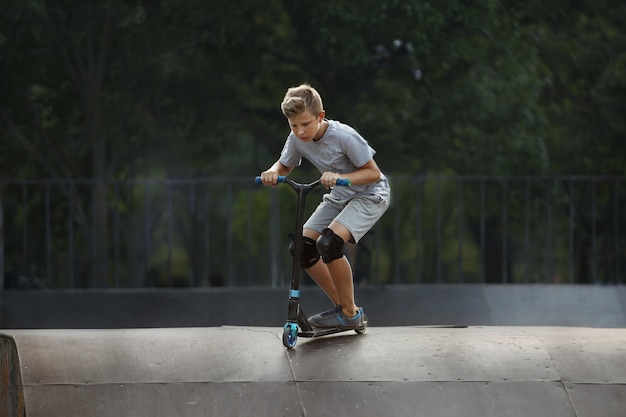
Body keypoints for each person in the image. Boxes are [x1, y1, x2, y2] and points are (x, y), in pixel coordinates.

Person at [259, 84, 390, 329]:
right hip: (340, 195)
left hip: (370, 195)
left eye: (305, 124)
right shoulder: (297, 139)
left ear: (320, 116)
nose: (300, 131)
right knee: (301, 248)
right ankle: (346, 309)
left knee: (329, 243)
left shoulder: (344, 136)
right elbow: (285, 164)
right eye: (293, 125)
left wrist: (343, 178)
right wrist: (273, 172)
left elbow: (373, 174)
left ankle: (349, 312)